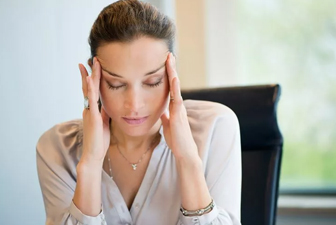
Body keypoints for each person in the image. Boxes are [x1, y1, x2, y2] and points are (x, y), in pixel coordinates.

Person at [36, 0, 242, 224]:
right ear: (91, 79)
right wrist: (91, 163)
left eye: (152, 82)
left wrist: (188, 161)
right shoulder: (57, 147)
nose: (134, 105)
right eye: (116, 84)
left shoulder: (216, 127)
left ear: (172, 71)